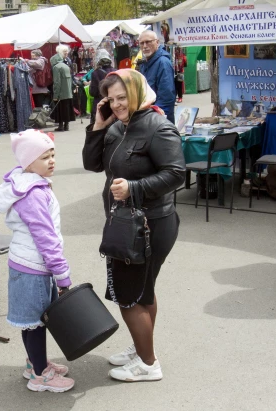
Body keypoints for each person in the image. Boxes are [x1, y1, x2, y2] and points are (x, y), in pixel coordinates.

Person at [82, 69, 186, 381]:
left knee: (129, 295)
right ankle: (141, 347)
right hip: (128, 222)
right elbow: (92, 163)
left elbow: (176, 173)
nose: (116, 104)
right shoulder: (117, 126)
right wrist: (99, 127)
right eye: (111, 99)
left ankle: (147, 364)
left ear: (138, 92)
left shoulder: (158, 127)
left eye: (122, 97)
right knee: (143, 291)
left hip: (148, 225)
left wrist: (134, 188)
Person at [0, 129, 74, 393]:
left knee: (30, 320)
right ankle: (40, 375)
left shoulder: (26, 184)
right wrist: (62, 274)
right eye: (44, 157)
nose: (51, 161)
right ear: (28, 163)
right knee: (36, 322)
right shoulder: (34, 193)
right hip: (34, 266)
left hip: (25, 262)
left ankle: (34, 363)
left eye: (52, 155)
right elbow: (45, 237)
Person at [137, 30, 176, 123]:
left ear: (157, 42)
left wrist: (154, 119)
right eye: (142, 43)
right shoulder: (144, 63)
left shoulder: (163, 63)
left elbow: (166, 97)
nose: (145, 46)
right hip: (147, 117)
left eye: (148, 42)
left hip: (158, 121)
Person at [51, 45, 75, 132]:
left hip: (61, 93)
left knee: (61, 110)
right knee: (67, 109)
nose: (66, 53)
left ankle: (61, 126)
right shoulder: (66, 66)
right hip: (68, 92)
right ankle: (66, 125)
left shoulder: (56, 67)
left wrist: (56, 95)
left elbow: (57, 82)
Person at [89, 49, 116, 123]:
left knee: (99, 130)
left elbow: (93, 92)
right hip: (113, 104)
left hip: (100, 105)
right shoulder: (116, 71)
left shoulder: (95, 73)